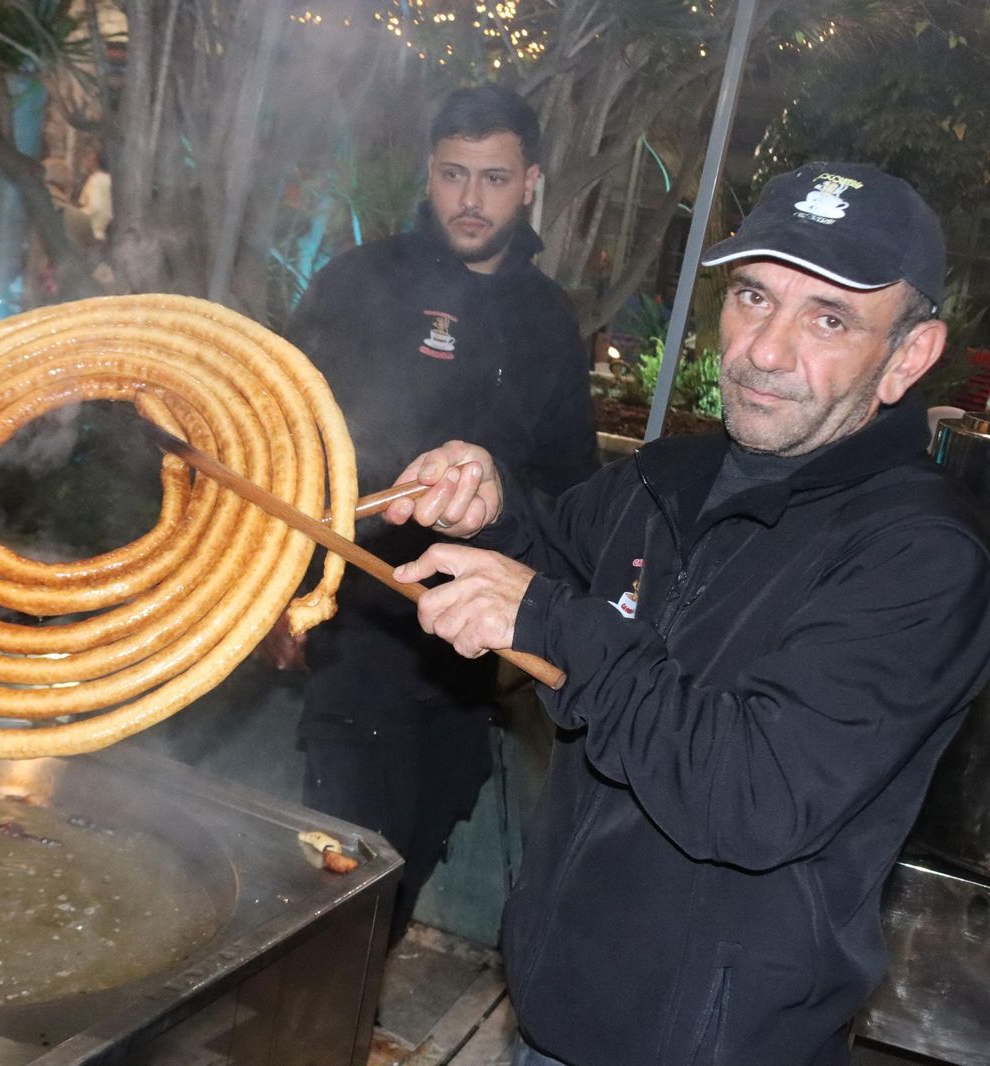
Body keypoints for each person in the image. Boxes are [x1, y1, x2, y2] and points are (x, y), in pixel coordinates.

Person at [380, 162, 990, 1065]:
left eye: (828, 319)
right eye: (753, 296)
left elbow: (756, 794)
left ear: (908, 355)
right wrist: (494, 512)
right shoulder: (666, 478)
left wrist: (549, 619)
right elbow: (555, 575)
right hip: (553, 1009)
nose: (763, 350)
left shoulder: (923, 559)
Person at [279, 85, 597, 944]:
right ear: (429, 171)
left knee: (420, 844)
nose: (470, 198)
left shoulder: (548, 321)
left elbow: (571, 488)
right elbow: (286, 439)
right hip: (361, 627)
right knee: (340, 869)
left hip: (470, 654)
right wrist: (282, 592)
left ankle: (352, 1006)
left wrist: (533, 637)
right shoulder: (359, 280)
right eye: (453, 174)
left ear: (529, 182)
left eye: (493, 178)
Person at [77, 147, 112, 243]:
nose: (86, 163)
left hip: (90, 232)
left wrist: (77, 216)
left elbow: (94, 206)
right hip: (104, 233)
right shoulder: (110, 180)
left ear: (95, 162)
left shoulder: (94, 180)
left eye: (88, 159)